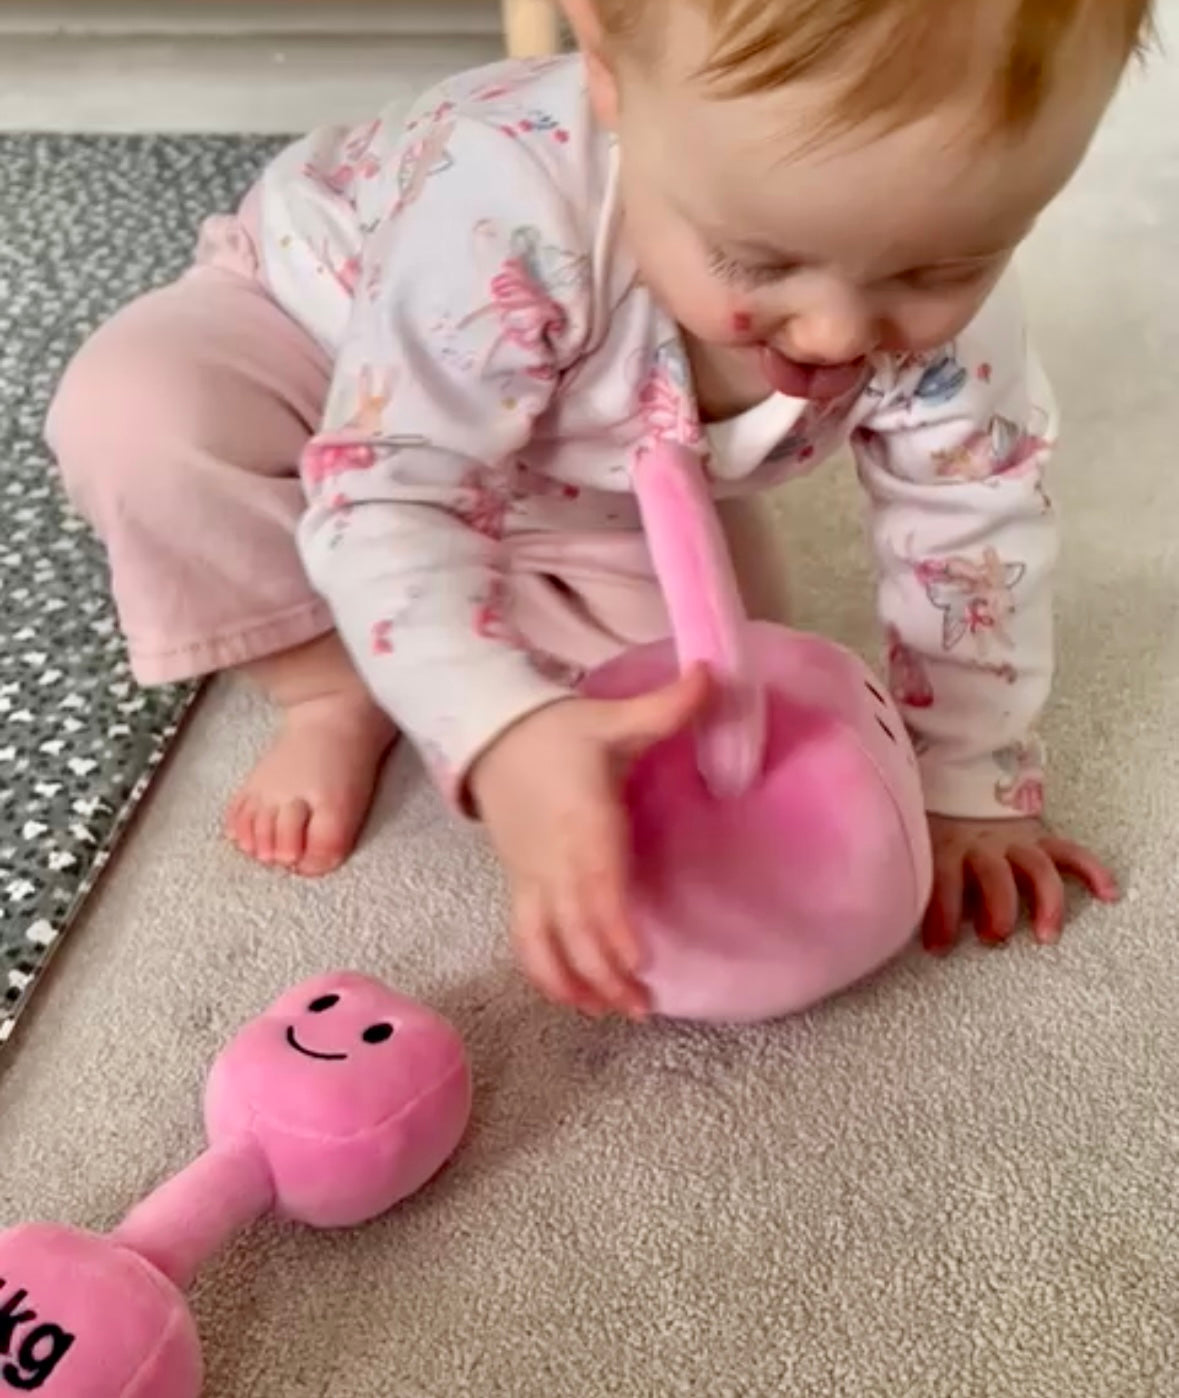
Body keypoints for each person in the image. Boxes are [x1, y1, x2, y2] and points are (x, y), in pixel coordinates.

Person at [48, 0, 1145, 1018]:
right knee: (139, 416)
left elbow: (974, 519)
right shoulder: (500, 211)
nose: (832, 336)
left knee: (689, 726)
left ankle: (486, 584)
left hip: (600, 469)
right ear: (612, 77)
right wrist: (499, 725)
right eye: (759, 257)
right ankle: (326, 684)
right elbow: (390, 485)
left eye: (938, 268)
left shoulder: (929, 315)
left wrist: (970, 777)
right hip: (331, 362)